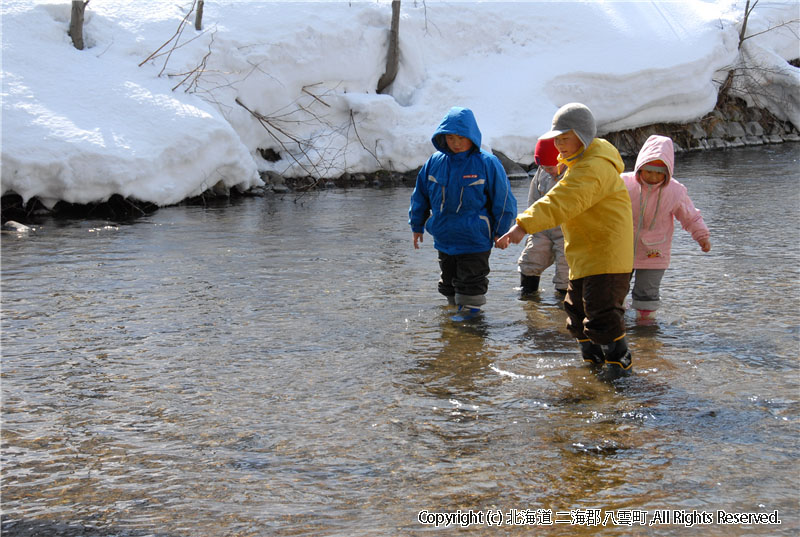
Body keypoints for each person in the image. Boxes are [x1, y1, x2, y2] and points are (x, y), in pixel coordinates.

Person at [496, 103, 634, 380]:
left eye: (565, 137)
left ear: (583, 136)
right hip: (585, 257)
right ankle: (594, 363)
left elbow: (562, 201)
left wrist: (523, 225)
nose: (559, 144)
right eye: (556, 139)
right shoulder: (576, 165)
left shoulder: (594, 167)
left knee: (602, 313)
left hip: (607, 256)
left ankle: (619, 364)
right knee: (575, 309)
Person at [409, 106, 517, 318]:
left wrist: (502, 232)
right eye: (450, 137)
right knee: (448, 284)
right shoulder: (434, 162)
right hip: (444, 238)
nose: (455, 143)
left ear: (472, 136)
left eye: (461, 137)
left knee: (471, 285)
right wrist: (417, 225)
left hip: (474, 239)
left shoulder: (487, 163)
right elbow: (420, 194)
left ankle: (470, 329)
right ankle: (454, 326)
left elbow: (503, 201)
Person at [623, 134, 711, 321]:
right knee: (615, 288)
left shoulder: (674, 191)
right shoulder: (624, 184)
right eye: (649, 171)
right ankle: (615, 321)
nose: (653, 177)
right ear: (640, 167)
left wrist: (701, 236)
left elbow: (690, 215)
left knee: (647, 291)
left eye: (659, 173)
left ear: (667, 172)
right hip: (621, 247)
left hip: (655, 250)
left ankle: (645, 326)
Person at [518, 138, 568, 297]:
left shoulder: (574, 174)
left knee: (565, 271)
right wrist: (531, 224)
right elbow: (533, 200)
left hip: (567, 232)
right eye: (544, 168)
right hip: (544, 228)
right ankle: (528, 297)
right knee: (530, 258)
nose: (547, 171)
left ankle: (563, 304)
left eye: (550, 167)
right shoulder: (542, 172)